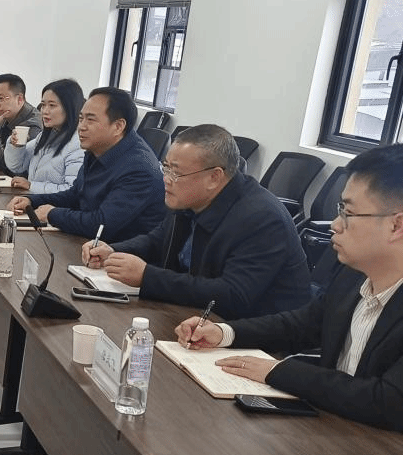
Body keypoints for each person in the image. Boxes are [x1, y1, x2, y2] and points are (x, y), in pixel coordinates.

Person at [176, 143, 403, 432]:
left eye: (348, 213)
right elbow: (301, 325)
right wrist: (224, 333)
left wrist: (278, 371)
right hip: (335, 429)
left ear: (397, 225)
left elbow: (388, 401)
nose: (335, 224)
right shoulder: (354, 275)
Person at [82, 125, 310, 319]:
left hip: (251, 336)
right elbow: (158, 240)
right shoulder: (190, 198)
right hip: (195, 318)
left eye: (176, 173)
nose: (166, 179)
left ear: (214, 177)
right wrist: (113, 251)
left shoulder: (261, 219)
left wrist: (147, 277)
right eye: (165, 167)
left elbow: (233, 295)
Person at [8, 87, 164, 243]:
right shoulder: (98, 148)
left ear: (118, 126)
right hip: (87, 244)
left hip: (118, 252)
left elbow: (102, 224)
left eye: (90, 120)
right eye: (81, 118)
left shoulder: (138, 168)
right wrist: (32, 201)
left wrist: (52, 214)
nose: (81, 127)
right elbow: (76, 194)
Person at [1, 78, 85, 193]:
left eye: (52, 105)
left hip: (50, 204)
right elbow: (16, 166)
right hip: (35, 200)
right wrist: (16, 146)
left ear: (70, 107)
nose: (45, 111)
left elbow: (72, 190)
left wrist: (31, 186)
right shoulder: (45, 136)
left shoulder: (78, 144)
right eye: (43, 105)